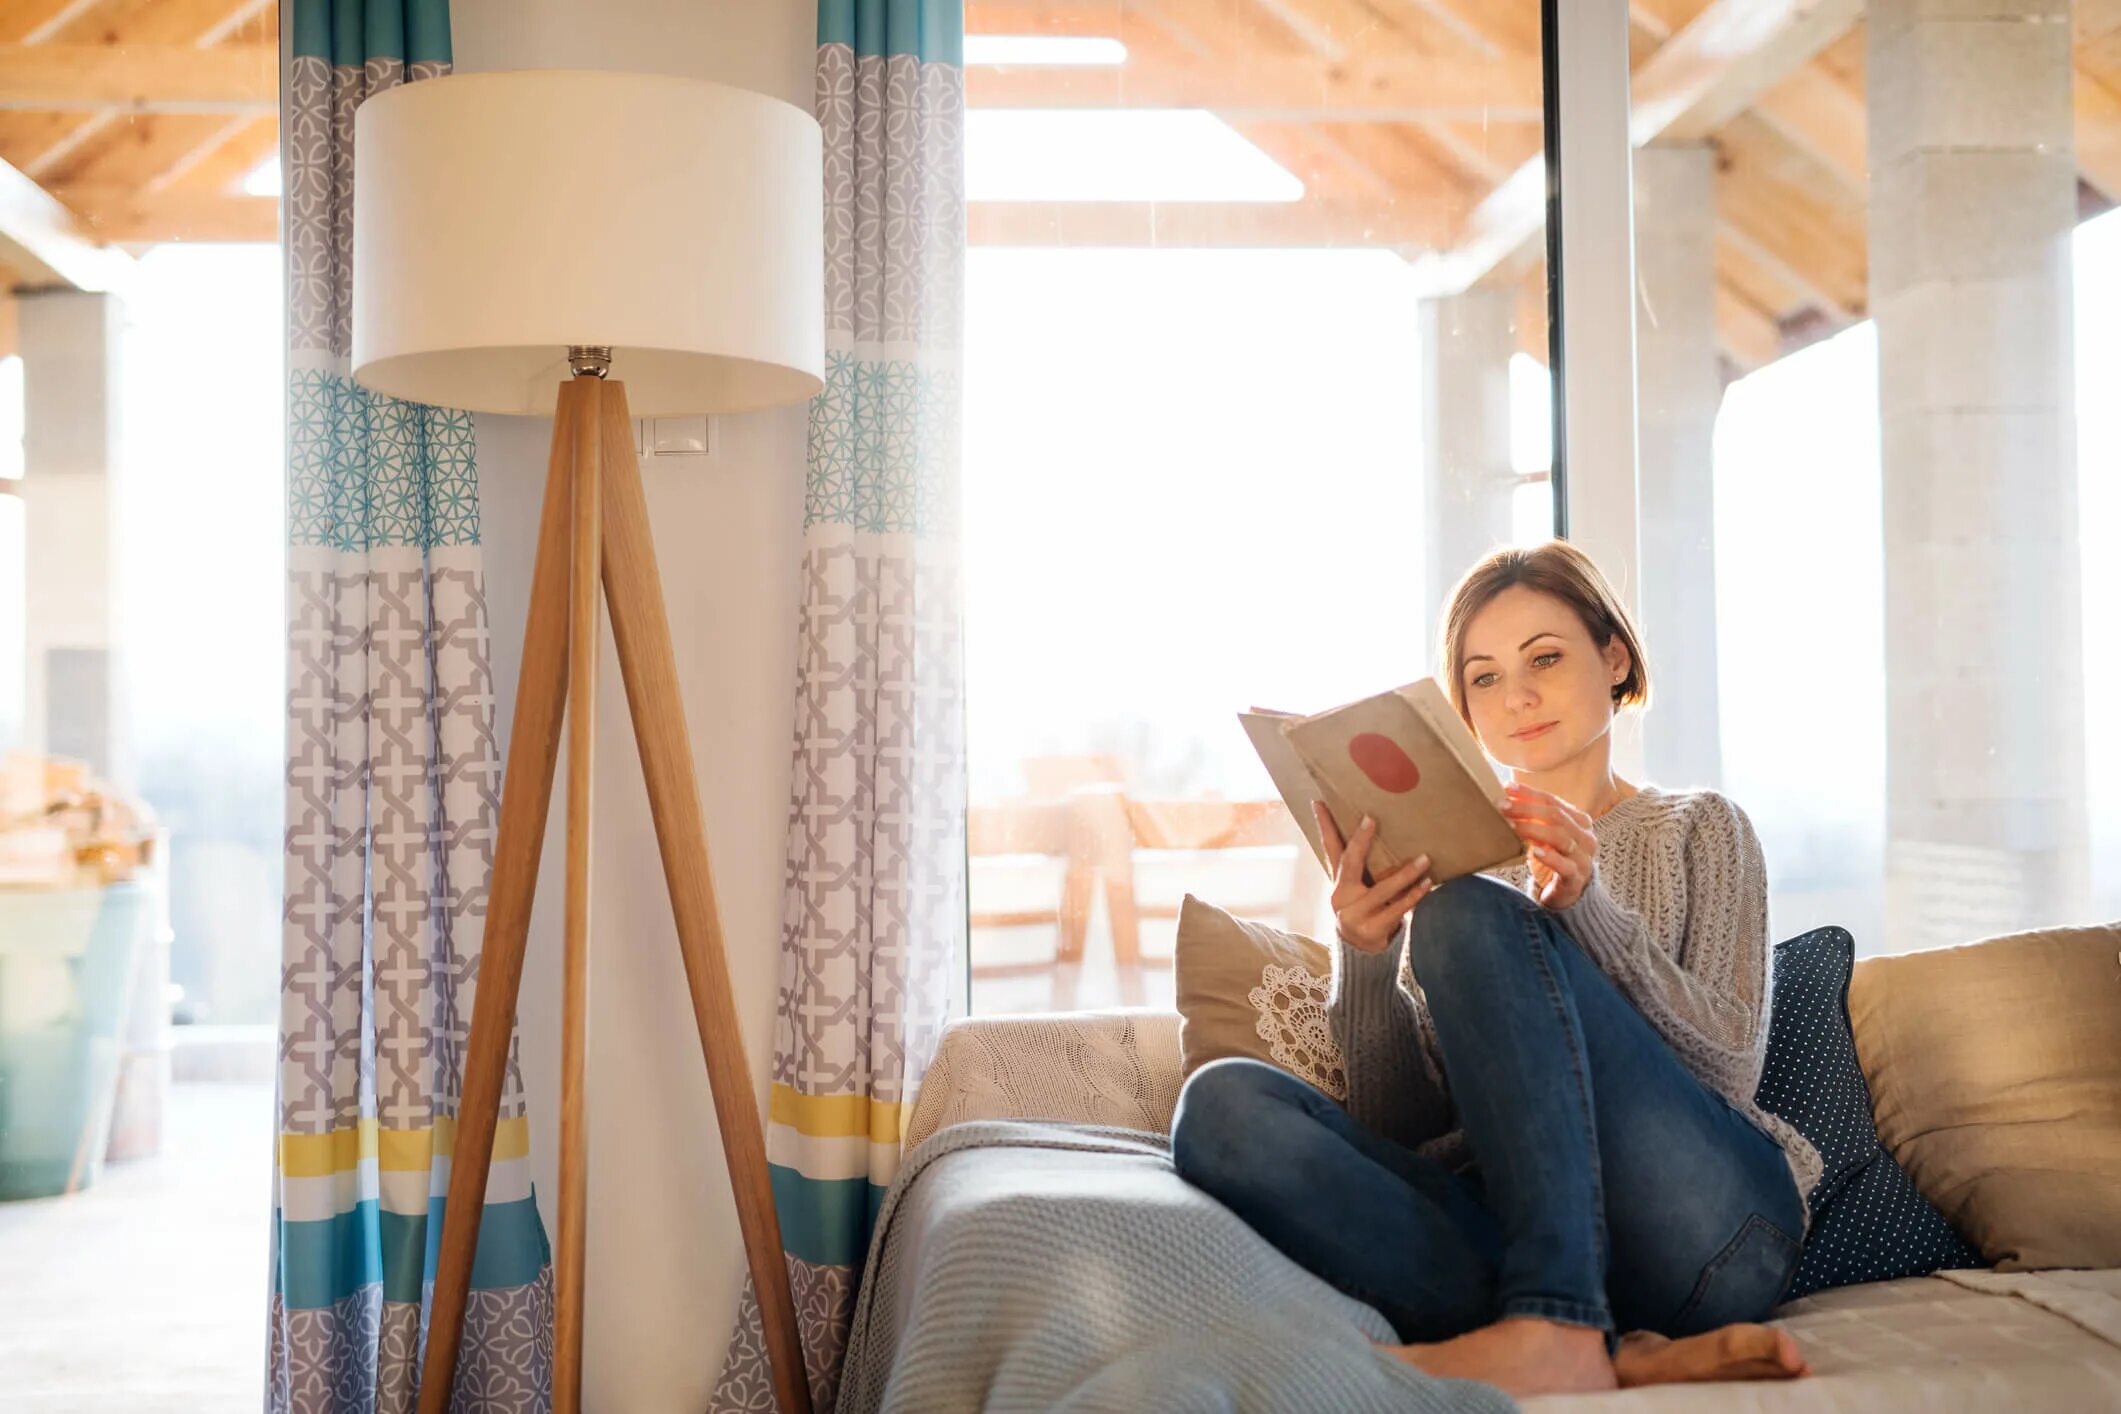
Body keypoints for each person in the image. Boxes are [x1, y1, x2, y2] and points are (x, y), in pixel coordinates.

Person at [1170, 540, 1824, 1398]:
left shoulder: (1699, 826)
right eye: (1481, 678)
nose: (1515, 696)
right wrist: (1367, 960)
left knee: (1467, 914)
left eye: (1544, 658)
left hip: (1709, 1229)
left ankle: (1555, 1322)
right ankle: (1593, 1338)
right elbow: (1403, 1127)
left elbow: (1728, 1068)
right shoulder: (1459, 875)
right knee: (1219, 1106)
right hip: (1511, 1237)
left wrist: (1582, 908)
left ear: (1614, 657)